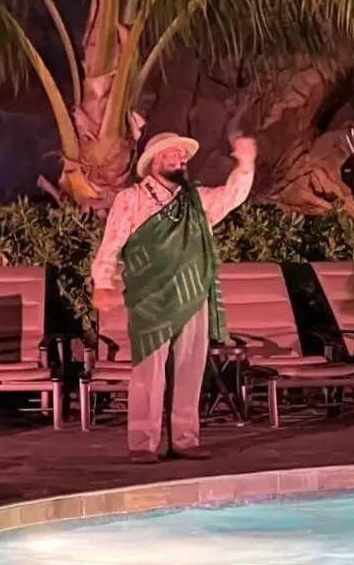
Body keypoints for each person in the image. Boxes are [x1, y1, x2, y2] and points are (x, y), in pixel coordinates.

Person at [90, 130, 256, 464]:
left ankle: (185, 439)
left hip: (192, 292)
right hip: (150, 296)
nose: (179, 160)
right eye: (171, 155)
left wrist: (246, 162)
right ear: (153, 162)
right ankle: (143, 444)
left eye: (182, 155)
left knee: (191, 368)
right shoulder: (131, 199)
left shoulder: (197, 200)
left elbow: (232, 195)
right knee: (148, 373)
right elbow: (112, 243)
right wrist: (102, 282)